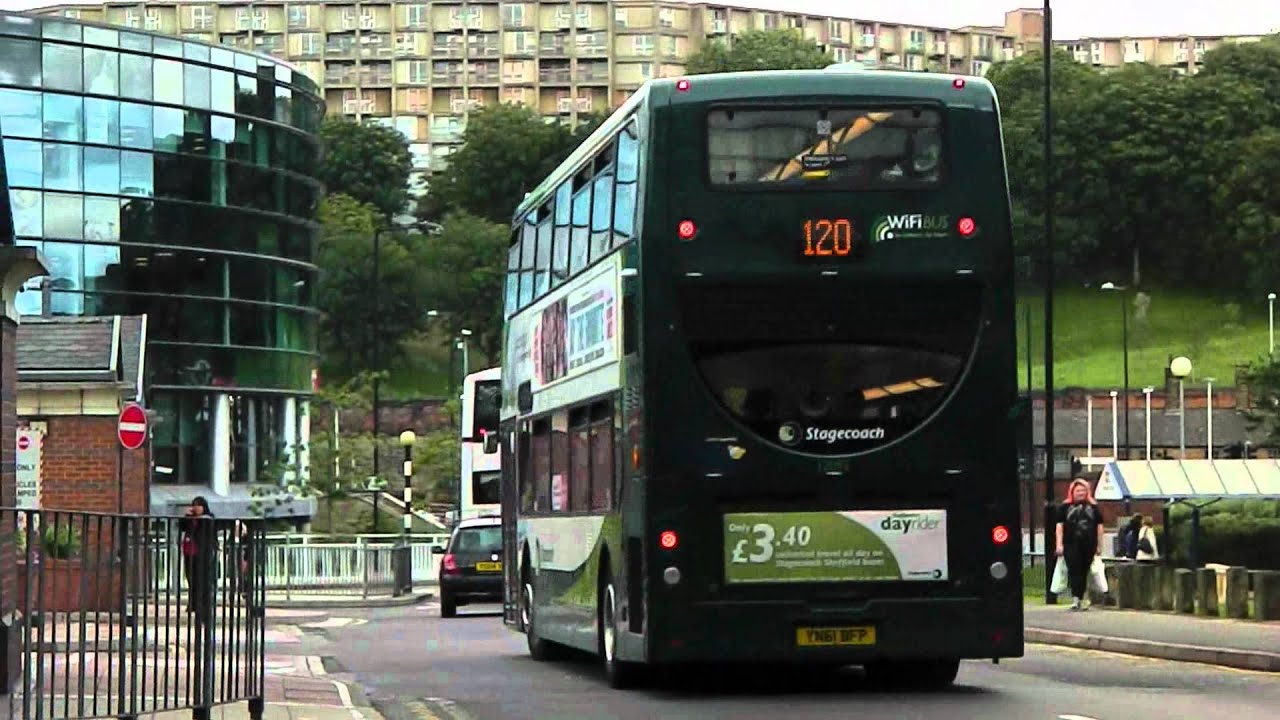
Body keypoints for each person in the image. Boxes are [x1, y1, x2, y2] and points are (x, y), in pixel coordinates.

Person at [1055, 478, 1104, 611]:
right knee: (1074, 570)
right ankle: (1076, 598)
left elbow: (1099, 527)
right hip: (1071, 543)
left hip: (1089, 543)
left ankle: (1082, 597)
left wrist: (1099, 545)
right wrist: (1059, 544)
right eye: (1078, 490)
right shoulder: (1064, 507)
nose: (1080, 493)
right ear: (1072, 492)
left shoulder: (1093, 507)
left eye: (1083, 490)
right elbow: (1059, 526)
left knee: (1084, 570)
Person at [179, 496, 216, 621]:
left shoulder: (208, 518)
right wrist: (187, 517)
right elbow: (182, 527)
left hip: (202, 553)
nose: (196, 508)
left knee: (203, 580)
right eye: (194, 505)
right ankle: (193, 603)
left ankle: (204, 608)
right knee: (191, 578)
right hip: (190, 552)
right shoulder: (190, 519)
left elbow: (210, 530)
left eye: (199, 505)